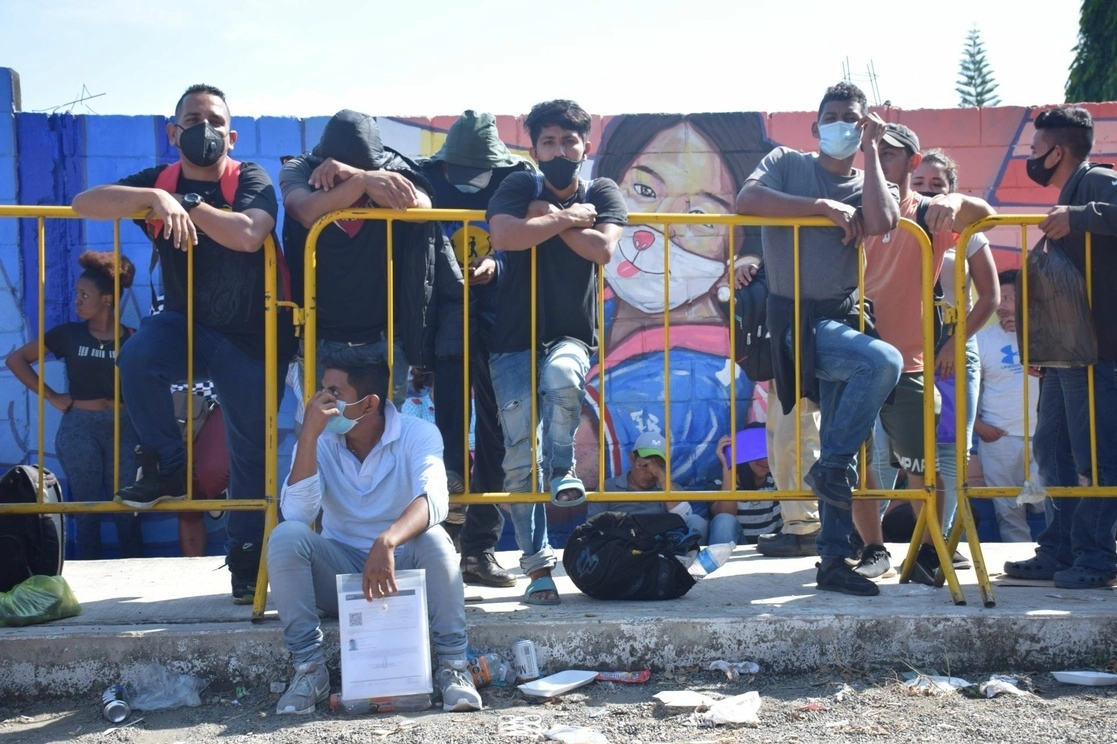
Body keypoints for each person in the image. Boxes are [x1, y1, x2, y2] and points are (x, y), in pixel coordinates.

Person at [71, 84, 292, 602]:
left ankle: (245, 562)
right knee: (137, 357)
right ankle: (167, 463)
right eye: (193, 119)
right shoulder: (160, 182)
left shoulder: (249, 178)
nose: (205, 129)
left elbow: (249, 233)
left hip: (253, 337)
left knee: (249, 456)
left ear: (231, 135)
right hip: (186, 324)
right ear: (174, 132)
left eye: (215, 120)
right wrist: (155, 197)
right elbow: (85, 203)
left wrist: (188, 206)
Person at [735, 82, 903, 597]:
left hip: (843, 319)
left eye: (850, 118)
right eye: (830, 116)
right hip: (792, 323)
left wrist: (873, 151)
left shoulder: (868, 179)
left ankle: (832, 560)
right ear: (815, 126)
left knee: (839, 447)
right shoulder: (787, 161)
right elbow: (747, 199)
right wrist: (822, 207)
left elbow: (885, 221)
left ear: (864, 123)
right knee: (883, 363)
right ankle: (826, 475)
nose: (839, 125)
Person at [266, 350, 482, 714]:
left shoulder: (419, 433)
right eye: (322, 391)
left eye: (334, 392)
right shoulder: (320, 439)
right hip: (342, 574)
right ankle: (309, 670)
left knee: (436, 539)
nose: (323, 401)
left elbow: (435, 499)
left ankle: (454, 667)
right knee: (286, 537)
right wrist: (307, 437)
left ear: (369, 404)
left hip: (401, 571)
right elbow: (297, 514)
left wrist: (388, 541)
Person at [486, 99, 627, 605]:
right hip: (510, 341)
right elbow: (504, 235)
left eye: (569, 141)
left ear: (585, 146)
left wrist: (549, 221)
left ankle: (564, 467)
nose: (560, 150)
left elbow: (603, 250)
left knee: (565, 377)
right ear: (533, 147)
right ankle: (537, 567)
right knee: (520, 459)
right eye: (549, 141)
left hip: (570, 333)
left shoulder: (602, 189)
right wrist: (570, 218)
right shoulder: (522, 184)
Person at [855, 124, 996, 583]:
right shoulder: (849, 203)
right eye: (870, 150)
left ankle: (931, 548)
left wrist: (952, 204)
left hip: (924, 358)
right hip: (857, 354)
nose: (877, 157)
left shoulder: (935, 216)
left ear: (912, 163)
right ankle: (872, 550)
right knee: (865, 463)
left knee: (933, 463)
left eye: (890, 152)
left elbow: (986, 218)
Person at [418, 110, 534, 589]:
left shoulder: (517, 182)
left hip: (501, 324)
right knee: (441, 444)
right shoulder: (424, 179)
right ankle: (441, 550)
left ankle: (480, 550)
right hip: (444, 324)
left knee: (495, 439)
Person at [1005, 106, 1117, 588]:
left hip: (1099, 354)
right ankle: (1060, 547)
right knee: (1053, 449)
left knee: (1095, 456)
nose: (1031, 159)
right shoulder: (1072, 196)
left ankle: (1096, 558)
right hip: (1066, 355)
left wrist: (1079, 216)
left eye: (1035, 150)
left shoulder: (1095, 183)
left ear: (1057, 151)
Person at [280, 109, 451, 412]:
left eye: (366, 169)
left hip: (384, 338)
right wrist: (362, 184)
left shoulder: (394, 167)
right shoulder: (302, 167)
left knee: (383, 434)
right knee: (319, 436)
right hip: (320, 337)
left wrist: (357, 175)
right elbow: (304, 211)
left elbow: (423, 208)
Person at [6, 251, 144, 560]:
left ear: (107, 299)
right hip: (80, 428)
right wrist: (52, 396)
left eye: (85, 295)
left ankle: (137, 570)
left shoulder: (134, 338)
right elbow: (16, 360)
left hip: (125, 429)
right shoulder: (67, 334)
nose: (77, 300)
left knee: (129, 507)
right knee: (86, 507)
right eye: (77, 294)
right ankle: (89, 575)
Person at [911, 149, 1000, 536]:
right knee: (892, 456)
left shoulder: (969, 231)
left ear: (951, 191)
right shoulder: (895, 224)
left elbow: (990, 297)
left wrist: (953, 344)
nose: (927, 192)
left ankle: (940, 544)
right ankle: (872, 546)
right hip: (905, 352)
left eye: (937, 185)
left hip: (953, 352)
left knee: (950, 452)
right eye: (920, 183)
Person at [974, 270, 1039, 541]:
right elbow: (965, 388)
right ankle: (1019, 559)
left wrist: (1027, 331)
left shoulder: (1049, 335)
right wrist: (978, 426)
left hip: (1045, 436)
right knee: (1008, 511)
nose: (1003, 305)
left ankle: (1057, 557)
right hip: (998, 439)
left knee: (1053, 501)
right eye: (1000, 298)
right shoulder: (981, 339)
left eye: (1010, 298)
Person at [589, 431, 708, 539]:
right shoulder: (609, 488)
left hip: (664, 550)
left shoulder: (670, 488)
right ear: (632, 458)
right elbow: (592, 528)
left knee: (698, 522)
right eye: (645, 465)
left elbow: (687, 517)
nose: (650, 472)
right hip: (623, 548)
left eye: (657, 466)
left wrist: (661, 476)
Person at [710, 425, 783, 546]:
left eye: (768, 452)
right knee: (724, 520)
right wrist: (728, 462)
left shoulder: (778, 482)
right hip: (736, 548)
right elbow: (725, 516)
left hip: (772, 550)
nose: (764, 460)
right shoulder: (719, 484)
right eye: (756, 453)